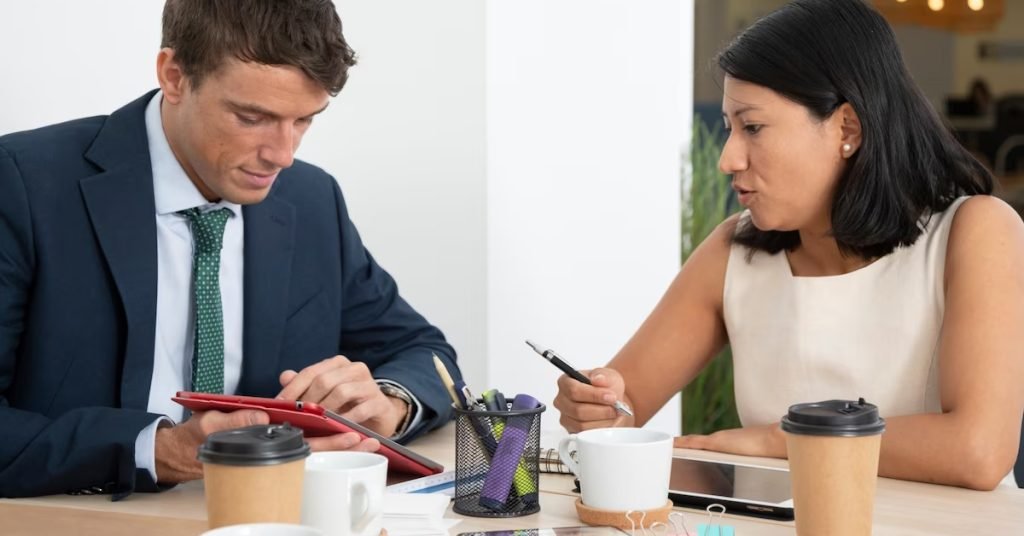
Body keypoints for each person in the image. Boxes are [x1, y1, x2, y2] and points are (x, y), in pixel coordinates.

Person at [554, 0, 1024, 491]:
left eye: (752, 127)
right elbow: (621, 415)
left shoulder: (975, 232)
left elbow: (978, 450)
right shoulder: (734, 251)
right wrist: (598, 411)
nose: (728, 159)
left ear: (847, 128)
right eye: (729, 129)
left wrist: (778, 441)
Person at [0, 0, 461, 498]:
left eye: (305, 119)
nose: (282, 154)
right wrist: (156, 449)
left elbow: (425, 353)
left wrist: (388, 403)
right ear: (174, 76)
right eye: (252, 117)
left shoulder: (310, 199)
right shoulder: (24, 184)